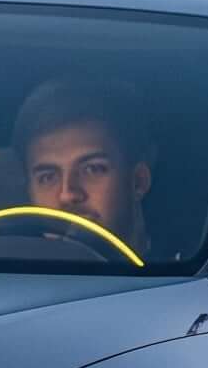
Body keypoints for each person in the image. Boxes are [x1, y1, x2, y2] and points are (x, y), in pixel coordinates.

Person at [12, 80, 153, 256]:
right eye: (48, 177)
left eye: (92, 169)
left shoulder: (187, 275)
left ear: (138, 181)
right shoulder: (9, 275)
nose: (67, 194)